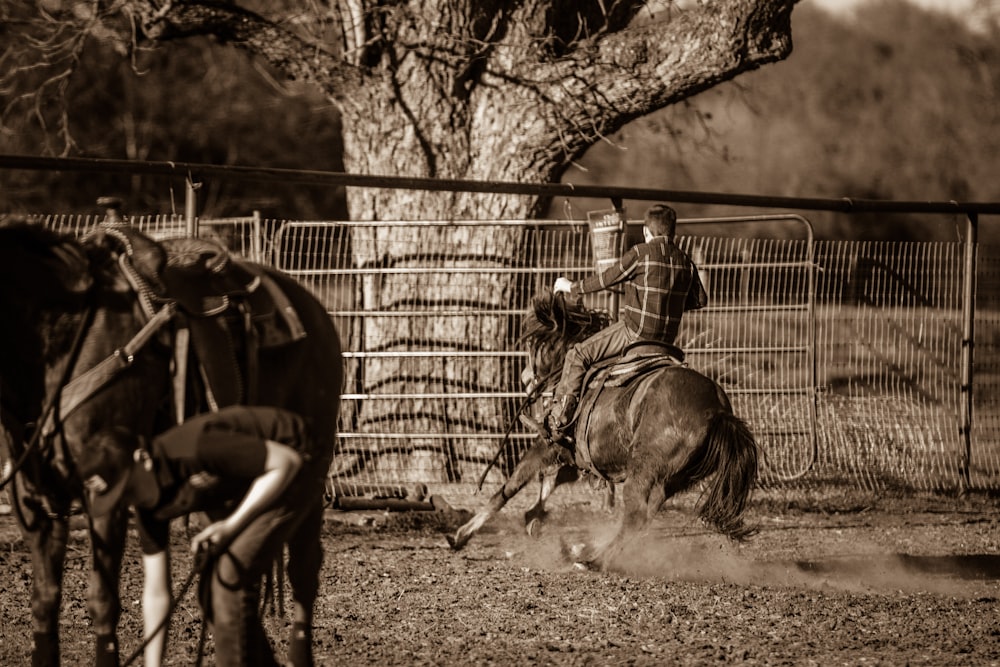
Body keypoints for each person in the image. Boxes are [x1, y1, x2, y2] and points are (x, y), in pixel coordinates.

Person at [84, 405, 324, 667]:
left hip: (298, 459)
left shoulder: (195, 447)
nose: (128, 503)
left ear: (143, 458)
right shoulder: (147, 506)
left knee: (227, 578)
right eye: (120, 499)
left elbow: (286, 462)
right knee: (209, 593)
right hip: (259, 475)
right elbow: (156, 592)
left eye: (127, 489)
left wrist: (230, 527)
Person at [539, 203, 708, 444]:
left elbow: (607, 278)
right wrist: (670, 300)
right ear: (673, 233)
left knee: (577, 355)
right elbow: (701, 300)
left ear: (646, 231)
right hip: (667, 345)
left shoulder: (641, 253)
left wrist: (571, 286)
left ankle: (560, 419)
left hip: (635, 334)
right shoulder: (686, 262)